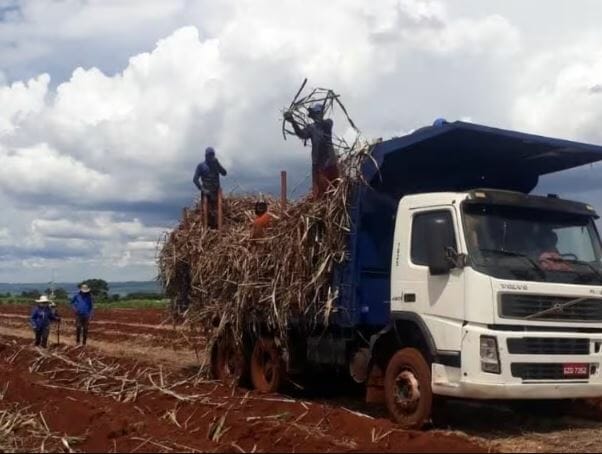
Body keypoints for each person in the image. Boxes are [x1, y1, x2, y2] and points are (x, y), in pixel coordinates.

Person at [284, 104, 339, 198]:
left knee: (333, 189)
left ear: (321, 113)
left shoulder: (328, 123)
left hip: (330, 163)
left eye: (317, 113)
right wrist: (293, 121)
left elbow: (324, 124)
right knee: (319, 192)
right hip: (318, 165)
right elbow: (301, 134)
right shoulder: (311, 128)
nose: (315, 116)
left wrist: (319, 120)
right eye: (314, 114)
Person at [193, 147, 227, 228]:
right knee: (206, 213)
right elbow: (195, 179)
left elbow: (224, 173)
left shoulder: (215, 164)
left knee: (218, 212)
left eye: (212, 155)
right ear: (205, 156)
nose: (211, 157)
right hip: (206, 192)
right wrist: (202, 189)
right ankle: (206, 228)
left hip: (216, 192)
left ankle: (217, 227)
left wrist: (217, 164)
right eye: (209, 155)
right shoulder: (201, 166)